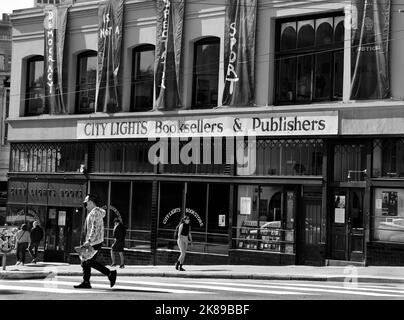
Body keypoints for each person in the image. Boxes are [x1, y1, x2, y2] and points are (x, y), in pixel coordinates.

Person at [74, 194, 117, 289]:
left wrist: (89, 240)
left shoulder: (95, 213)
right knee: (85, 261)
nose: (85, 206)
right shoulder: (93, 213)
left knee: (88, 261)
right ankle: (86, 282)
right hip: (93, 241)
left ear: (90, 202)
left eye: (85, 203)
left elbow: (95, 228)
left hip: (94, 242)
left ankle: (110, 273)